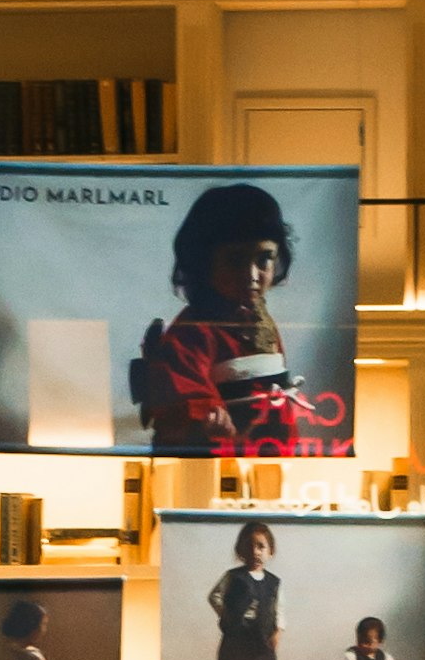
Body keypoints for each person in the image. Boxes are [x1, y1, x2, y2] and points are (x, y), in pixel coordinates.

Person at [134, 180, 349, 456]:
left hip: (272, 451)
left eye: (264, 259)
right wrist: (208, 422)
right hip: (222, 458)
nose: (251, 276)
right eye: (235, 260)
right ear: (204, 261)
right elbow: (182, 403)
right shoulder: (193, 330)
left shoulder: (260, 320)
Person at [207, 520, 283, 660]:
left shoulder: (274, 582)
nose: (256, 552)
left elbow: (279, 608)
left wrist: (278, 631)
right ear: (241, 551)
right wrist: (227, 615)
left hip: (262, 641)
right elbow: (214, 596)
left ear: (270, 551)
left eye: (261, 546)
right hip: (237, 640)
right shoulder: (233, 577)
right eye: (250, 546)